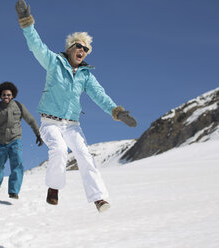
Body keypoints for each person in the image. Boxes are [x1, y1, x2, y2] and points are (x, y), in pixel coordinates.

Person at [15, 0, 137, 212]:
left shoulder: (86, 75)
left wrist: (116, 111)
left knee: (84, 154)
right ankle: (54, 187)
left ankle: (99, 198)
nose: (82, 50)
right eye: (79, 46)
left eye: (86, 48)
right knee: (60, 150)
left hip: (72, 124)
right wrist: (27, 23)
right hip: (50, 122)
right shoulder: (54, 62)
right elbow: (36, 46)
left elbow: (100, 95)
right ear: (70, 48)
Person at [0, 82, 43, 199]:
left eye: (8, 95)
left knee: (17, 165)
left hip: (15, 140)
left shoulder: (19, 106)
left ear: (13, 95)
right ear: (0, 96)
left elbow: (31, 120)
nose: (6, 97)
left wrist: (38, 134)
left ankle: (13, 191)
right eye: (4, 95)